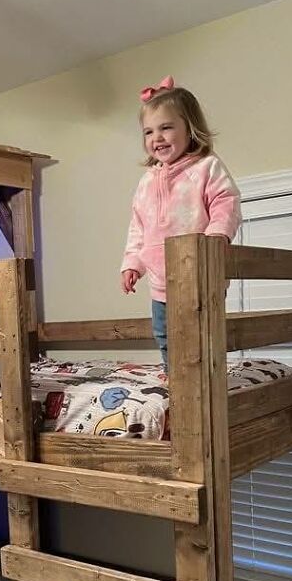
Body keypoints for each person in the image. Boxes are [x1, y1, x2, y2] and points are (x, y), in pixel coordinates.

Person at [120, 76, 241, 379]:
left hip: (200, 273)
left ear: (189, 128)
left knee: (201, 334)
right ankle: (175, 379)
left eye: (166, 127)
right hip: (161, 280)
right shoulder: (147, 180)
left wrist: (216, 237)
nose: (156, 137)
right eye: (149, 131)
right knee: (165, 335)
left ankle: (207, 380)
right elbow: (138, 225)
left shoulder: (206, 167)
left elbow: (226, 202)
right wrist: (132, 263)